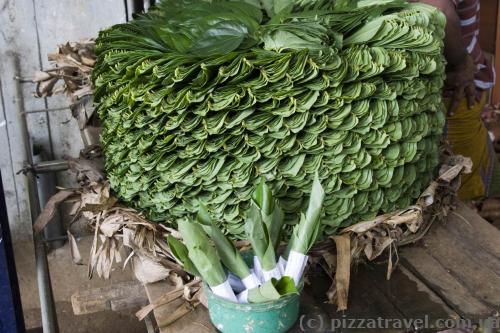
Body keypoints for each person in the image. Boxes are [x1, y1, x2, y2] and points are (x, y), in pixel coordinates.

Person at [417, 0, 500, 200]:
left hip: (443, 90)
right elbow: (439, 8)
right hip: (452, 95)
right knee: (456, 183)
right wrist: (460, 65)